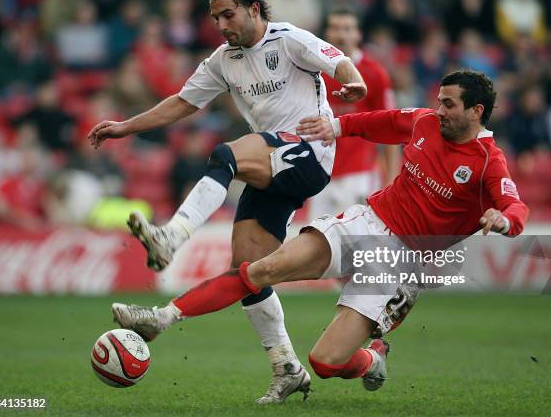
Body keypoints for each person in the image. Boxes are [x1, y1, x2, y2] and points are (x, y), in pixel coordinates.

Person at [111, 70, 529, 395]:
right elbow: (381, 122)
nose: (439, 110)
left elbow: (515, 206)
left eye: (450, 104)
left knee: (326, 363)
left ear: (476, 112)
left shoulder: (487, 161)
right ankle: (162, 317)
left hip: (401, 261)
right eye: (439, 101)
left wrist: (504, 220)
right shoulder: (423, 122)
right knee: (259, 270)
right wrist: (336, 127)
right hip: (368, 222)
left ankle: (370, 358)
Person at [87, 0, 366, 404]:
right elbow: (182, 102)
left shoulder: (288, 38)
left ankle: (170, 237)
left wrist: (355, 83)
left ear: (254, 8)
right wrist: (126, 127)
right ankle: (285, 367)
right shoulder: (223, 59)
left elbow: (338, 61)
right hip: (272, 166)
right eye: (215, 17)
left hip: (309, 154)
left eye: (228, 14)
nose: (220, 24)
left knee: (226, 155)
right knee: (248, 273)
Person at [309, 7, 397, 220]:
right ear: (326, 34)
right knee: (316, 243)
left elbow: (390, 128)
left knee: (357, 246)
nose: (341, 35)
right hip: (320, 172)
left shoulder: (374, 73)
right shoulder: (313, 71)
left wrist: (392, 180)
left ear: (358, 34)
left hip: (360, 174)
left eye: (347, 29)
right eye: (335, 28)